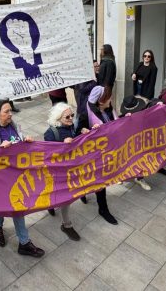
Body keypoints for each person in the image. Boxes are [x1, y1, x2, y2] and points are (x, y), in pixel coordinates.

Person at [0, 99, 45, 257]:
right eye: (6, 112)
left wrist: (26, 142)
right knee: (2, 206)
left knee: (17, 208)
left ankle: (24, 242)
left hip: (15, 177)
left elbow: (20, 148)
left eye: (11, 111)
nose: (10, 114)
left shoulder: (15, 127)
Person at [76, 86, 118, 224]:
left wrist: (126, 118)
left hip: (106, 152)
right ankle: (103, 209)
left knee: (101, 180)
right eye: (109, 97)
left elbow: (117, 124)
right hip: (92, 155)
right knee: (98, 180)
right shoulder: (85, 113)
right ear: (101, 101)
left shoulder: (109, 110)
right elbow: (77, 134)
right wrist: (86, 131)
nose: (111, 99)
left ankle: (99, 206)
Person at [43, 103, 84, 241]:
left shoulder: (71, 126)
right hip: (57, 172)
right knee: (62, 196)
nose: (71, 118)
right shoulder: (51, 133)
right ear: (58, 118)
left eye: (72, 115)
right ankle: (66, 225)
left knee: (65, 196)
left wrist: (84, 132)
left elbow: (76, 139)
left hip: (70, 169)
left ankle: (63, 220)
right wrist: (61, 145)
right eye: (67, 116)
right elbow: (47, 154)